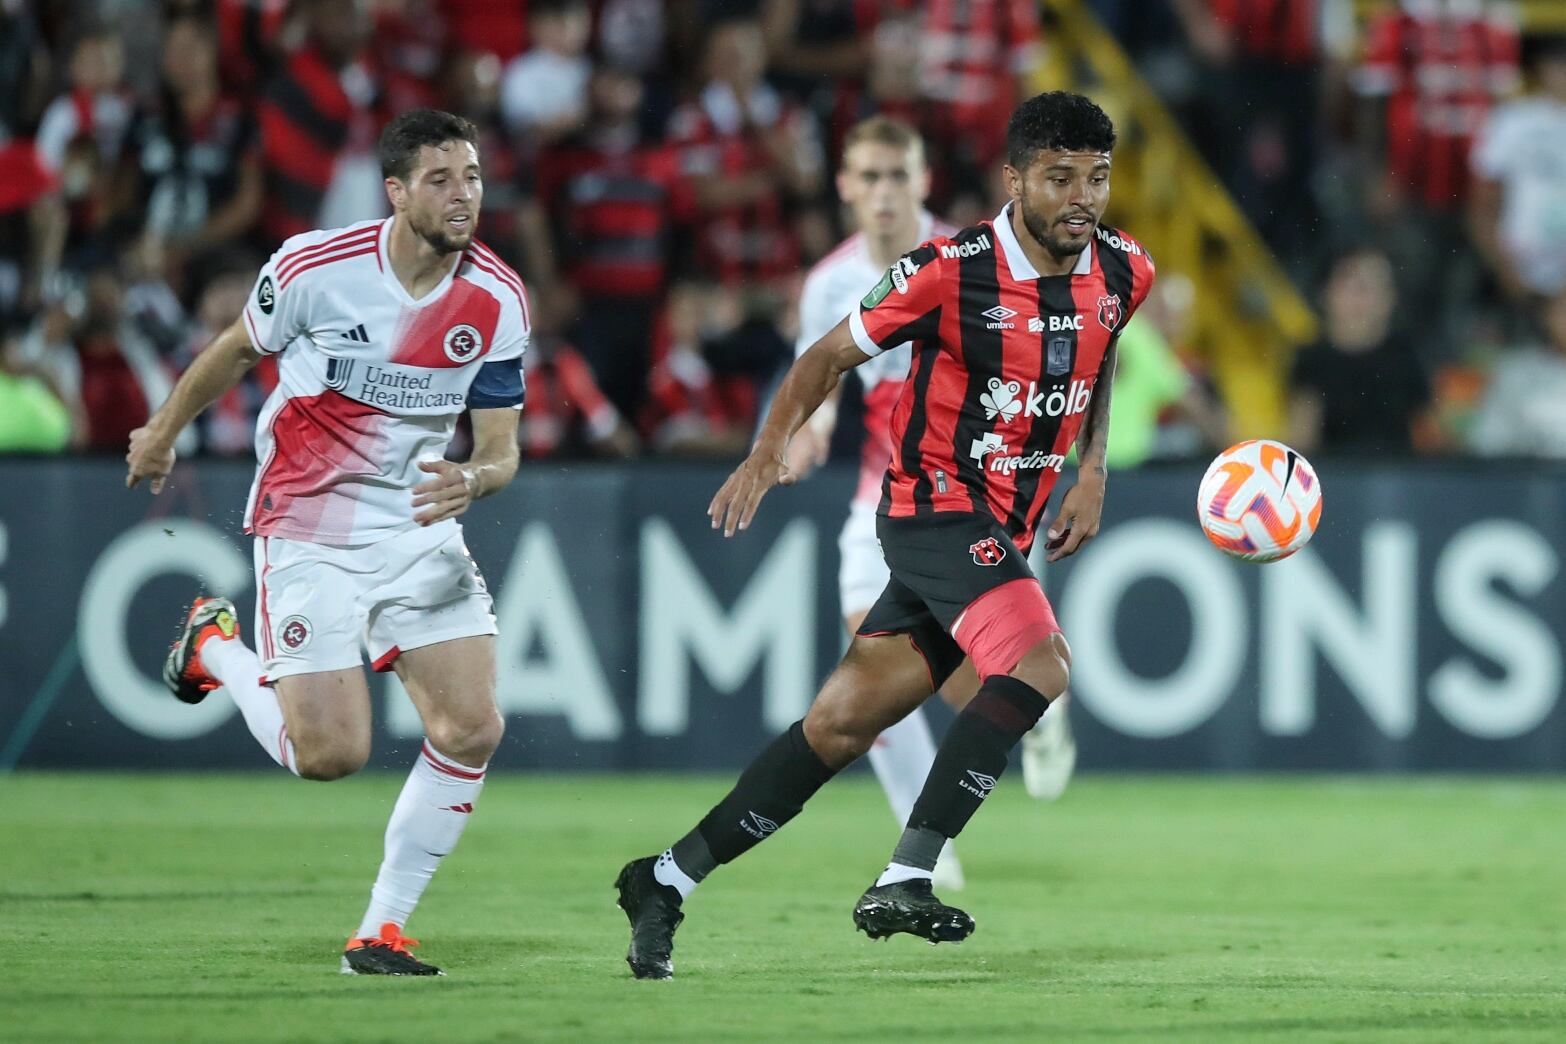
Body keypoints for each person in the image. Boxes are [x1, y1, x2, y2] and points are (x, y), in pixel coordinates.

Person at [614, 91, 1155, 979]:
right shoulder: (947, 270)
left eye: (1097, 177)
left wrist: (1091, 468)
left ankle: (665, 878)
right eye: (1061, 178)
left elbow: (1103, 351)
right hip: (930, 510)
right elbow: (827, 355)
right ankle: (908, 875)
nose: (1083, 197)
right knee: (1041, 666)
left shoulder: (1125, 270)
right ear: (1014, 179)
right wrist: (766, 451)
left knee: (838, 726)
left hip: (1004, 526)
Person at [124, 109, 531, 976]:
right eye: (440, 180)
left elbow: (500, 449)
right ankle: (216, 648)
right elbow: (237, 351)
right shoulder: (317, 268)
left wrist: (478, 478)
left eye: (472, 178)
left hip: (418, 522)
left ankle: (378, 931)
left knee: (471, 727)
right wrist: (162, 431)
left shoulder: (497, 299)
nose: (463, 197)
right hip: (308, 520)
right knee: (330, 756)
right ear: (395, 191)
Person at [1287, 246, 1433, 457]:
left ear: (1390, 299)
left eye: (1370, 287)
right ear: (1326, 293)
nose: (1359, 298)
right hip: (1335, 480)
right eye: (1349, 285)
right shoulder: (1313, 360)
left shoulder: (1405, 356)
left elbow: (1431, 438)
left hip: (1397, 479)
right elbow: (1300, 441)